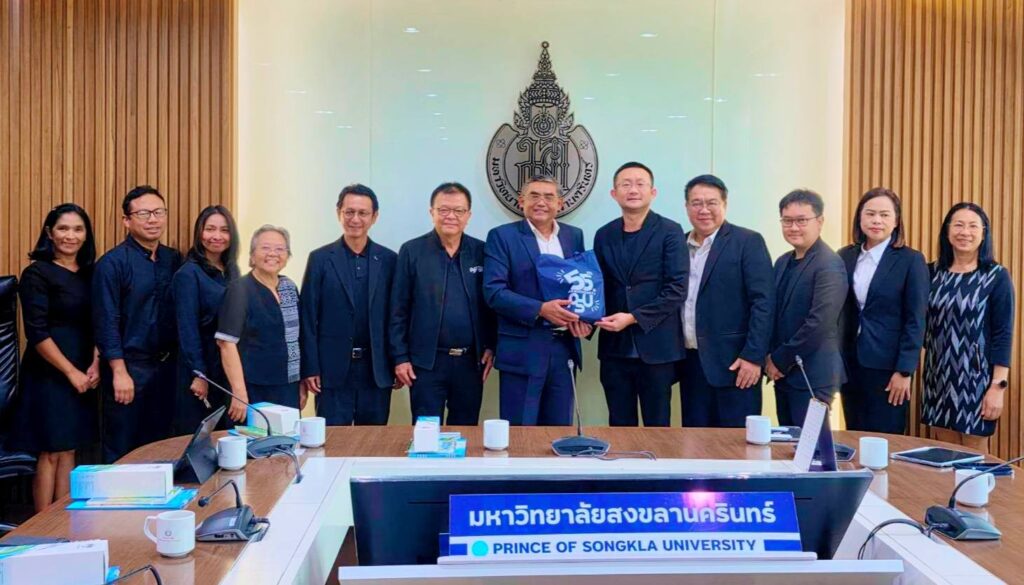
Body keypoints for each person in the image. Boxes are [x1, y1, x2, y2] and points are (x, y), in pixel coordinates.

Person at [5, 204, 100, 511]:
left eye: (78, 229)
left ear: (86, 235)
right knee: (50, 451)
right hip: (50, 373)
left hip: (84, 369)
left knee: (69, 449)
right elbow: (36, 332)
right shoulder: (37, 273)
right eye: (63, 228)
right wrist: (71, 372)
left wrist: (95, 363)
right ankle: (41, 526)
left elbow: (101, 322)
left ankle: (63, 523)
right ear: (49, 233)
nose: (70, 236)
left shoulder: (91, 274)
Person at [483, 174, 592, 426]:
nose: (541, 202)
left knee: (559, 431)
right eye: (534, 196)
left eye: (548, 197)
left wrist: (585, 320)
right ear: (521, 201)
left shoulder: (574, 236)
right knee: (520, 432)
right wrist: (540, 309)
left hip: (564, 349)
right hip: (522, 350)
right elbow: (494, 291)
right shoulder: (502, 236)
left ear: (560, 204)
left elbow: (582, 285)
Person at [390, 182, 496, 424]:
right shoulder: (412, 251)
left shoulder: (482, 251)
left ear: (468, 215)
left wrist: (491, 345)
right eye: (444, 210)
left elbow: (491, 306)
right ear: (432, 212)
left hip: (471, 362)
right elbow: (398, 310)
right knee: (426, 433)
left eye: (458, 211)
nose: (451, 216)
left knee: (466, 431)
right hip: (426, 363)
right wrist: (400, 357)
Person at [593, 162, 687, 426]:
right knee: (619, 424)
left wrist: (633, 317)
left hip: (658, 348)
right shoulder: (604, 234)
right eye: (625, 184)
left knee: (658, 426)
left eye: (640, 184)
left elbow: (677, 288)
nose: (633, 190)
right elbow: (597, 285)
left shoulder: (670, 231)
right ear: (614, 193)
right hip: (614, 349)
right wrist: (585, 319)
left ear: (652, 192)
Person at [677, 174, 775, 428]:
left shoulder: (747, 242)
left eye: (711, 202)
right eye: (696, 203)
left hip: (736, 365)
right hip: (690, 364)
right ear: (687, 207)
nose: (704, 210)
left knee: (735, 443)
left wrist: (753, 356)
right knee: (694, 442)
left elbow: (763, 303)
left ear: (725, 205)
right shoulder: (679, 244)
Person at [93, 185, 182, 462]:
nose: (153, 219)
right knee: (123, 449)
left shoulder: (173, 259)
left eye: (158, 212)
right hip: (130, 369)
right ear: (127, 220)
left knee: (163, 447)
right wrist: (119, 371)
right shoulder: (111, 263)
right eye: (144, 214)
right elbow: (106, 321)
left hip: (167, 369)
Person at [300, 185, 398, 425]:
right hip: (331, 371)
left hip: (376, 370)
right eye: (349, 212)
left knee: (373, 441)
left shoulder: (389, 260)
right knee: (332, 440)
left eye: (363, 213)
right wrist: (310, 368)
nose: (355, 219)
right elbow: (307, 316)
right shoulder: (320, 259)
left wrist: (397, 361)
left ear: (374, 216)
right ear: (338, 213)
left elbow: (397, 316)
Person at [922, 203, 1014, 451]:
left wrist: (998, 387)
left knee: (974, 461)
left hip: (977, 381)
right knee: (943, 459)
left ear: (984, 233)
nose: (965, 232)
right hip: (937, 377)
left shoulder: (996, 276)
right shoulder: (931, 272)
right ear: (947, 231)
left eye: (973, 226)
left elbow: (1003, 335)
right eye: (958, 225)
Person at [838, 188, 929, 434]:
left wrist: (904, 371)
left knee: (885, 438)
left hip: (889, 368)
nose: (876, 220)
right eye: (870, 214)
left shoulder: (911, 260)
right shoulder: (845, 256)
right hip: (850, 364)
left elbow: (915, 319)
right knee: (854, 434)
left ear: (896, 221)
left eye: (884, 215)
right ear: (860, 218)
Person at [766, 189, 848, 426]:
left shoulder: (829, 264)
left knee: (811, 444)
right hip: (784, 374)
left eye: (801, 220)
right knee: (787, 443)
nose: (793, 227)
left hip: (813, 374)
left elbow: (819, 323)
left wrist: (779, 360)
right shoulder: (783, 261)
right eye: (787, 221)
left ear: (819, 221)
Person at [216, 226, 303, 422]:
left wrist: (300, 384)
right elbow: (226, 344)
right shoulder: (239, 289)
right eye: (265, 248)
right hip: (252, 389)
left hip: (288, 387)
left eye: (280, 249)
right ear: (252, 255)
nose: (273, 254)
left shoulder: (289, 287)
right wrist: (239, 392)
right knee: (256, 441)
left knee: (288, 439)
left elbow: (297, 339)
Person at [172, 205, 240, 434]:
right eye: (210, 229)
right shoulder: (188, 274)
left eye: (224, 230)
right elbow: (187, 330)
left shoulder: (232, 270)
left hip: (227, 367)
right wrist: (199, 375)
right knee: (199, 440)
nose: (217, 236)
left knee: (228, 437)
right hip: (201, 369)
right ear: (199, 233)